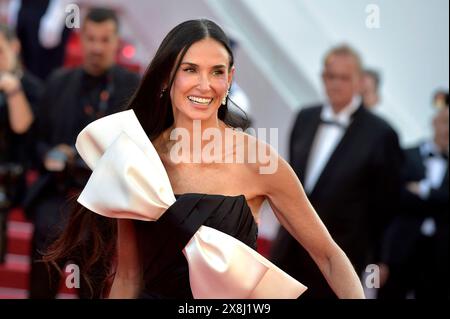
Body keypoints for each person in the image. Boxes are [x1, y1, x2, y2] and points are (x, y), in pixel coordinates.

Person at [44, 19, 365, 299]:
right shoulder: (137, 158)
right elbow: (129, 276)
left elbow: (328, 257)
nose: (204, 84)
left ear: (230, 78)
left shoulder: (259, 160)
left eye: (217, 72)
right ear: (167, 76)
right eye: (190, 69)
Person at [270, 45, 403, 298]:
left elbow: (386, 205)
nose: (336, 84)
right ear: (322, 78)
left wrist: (379, 258)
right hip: (289, 249)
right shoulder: (304, 117)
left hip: (341, 258)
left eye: (344, 78)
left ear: (359, 81)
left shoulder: (381, 134)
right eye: (330, 76)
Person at [25, 7, 140, 298]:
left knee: (91, 288)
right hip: (57, 197)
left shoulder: (132, 89)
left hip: (103, 206)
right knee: (41, 285)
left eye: (104, 40)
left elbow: (141, 149)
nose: (97, 48)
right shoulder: (58, 81)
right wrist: (53, 154)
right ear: (81, 39)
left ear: (117, 42)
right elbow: (36, 141)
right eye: (91, 39)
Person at [378, 93, 448, 299]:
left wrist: (424, 191)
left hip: (440, 257)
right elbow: (393, 198)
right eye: (446, 122)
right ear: (434, 123)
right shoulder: (406, 155)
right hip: (400, 250)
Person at [0, 24, 43, 263]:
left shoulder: (31, 86)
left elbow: (22, 126)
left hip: (12, 177)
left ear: (14, 47)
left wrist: (12, 88)